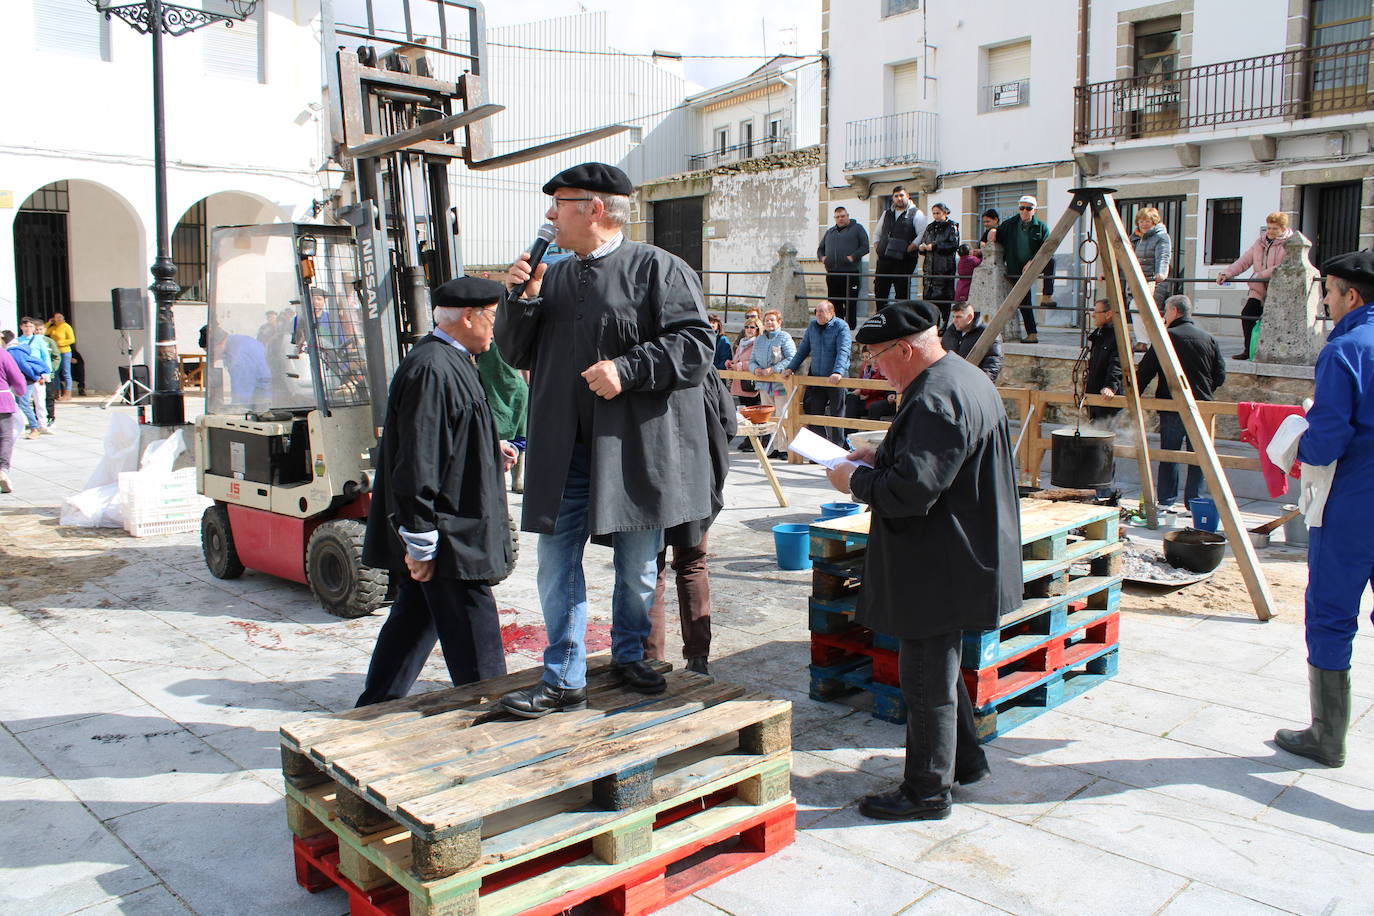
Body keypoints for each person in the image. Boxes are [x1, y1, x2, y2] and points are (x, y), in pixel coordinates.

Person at [496, 162, 716, 717]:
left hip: (632, 448)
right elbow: (517, 354)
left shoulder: (659, 269)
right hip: (563, 447)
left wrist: (630, 367)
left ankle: (628, 654)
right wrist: (519, 299)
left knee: (639, 564)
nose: (548, 216)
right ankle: (564, 675)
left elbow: (696, 345)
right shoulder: (556, 276)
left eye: (559, 204)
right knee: (555, 563)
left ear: (594, 209)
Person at [826, 300, 1020, 821]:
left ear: (906, 349)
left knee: (926, 680)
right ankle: (966, 763)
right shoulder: (962, 376)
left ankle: (927, 792)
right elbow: (935, 458)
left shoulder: (934, 396)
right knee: (941, 670)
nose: (874, 369)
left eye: (877, 358)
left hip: (942, 561)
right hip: (962, 553)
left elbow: (910, 491)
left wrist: (854, 480)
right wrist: (881, 454)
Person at [356, 277, 516, 706]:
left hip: (448, 525)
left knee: (413, 621)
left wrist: (485, 445)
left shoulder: (454, 359)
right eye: (493, 319)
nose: (495, 330)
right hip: (448, 533)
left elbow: (448, 432)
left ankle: (373, 711)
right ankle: (493, 718)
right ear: (468, 317)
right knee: (473, 630)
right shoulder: (432, 367)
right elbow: (417, 459)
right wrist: (421, 542)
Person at [1273, 250, 1374, 768]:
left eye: (1328, 293)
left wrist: (1297, 443)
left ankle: (1327, 736)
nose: (1326, 303)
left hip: (1357, 501)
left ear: (1350, 295)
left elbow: (1328, 441)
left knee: (1332, 612)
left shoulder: (1346, 350)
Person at [648, 368, 735, 676]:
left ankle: (652, 661)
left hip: (653, 481)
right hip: (694, 480)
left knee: (652, 569)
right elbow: (729, 423)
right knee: (690, 564)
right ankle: (697, 658)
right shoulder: (698, 364)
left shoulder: (638, 365)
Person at [1134, 294, 1226, 509]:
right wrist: (1204, 391)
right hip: (1202, 405)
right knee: (1200, 455)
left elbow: (1145, 372)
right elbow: (1220, 375)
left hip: (1172, 404)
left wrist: (1132, 397)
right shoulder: (1208, 338)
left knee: (1170, 453)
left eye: (1166, 311)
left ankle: (1166, 500)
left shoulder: (1165, 338)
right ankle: (1195, 501)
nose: (1164, 315)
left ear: (1175, 311)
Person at [1217, 211, 1292, 360]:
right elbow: (1244, 261)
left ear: (1283, 229)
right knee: (1247, 315)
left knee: (1275, 321)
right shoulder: (1260, 242)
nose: (1270, 232)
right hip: (1258, 289)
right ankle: (1248, 350)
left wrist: (1261, 275)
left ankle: (1274, 352)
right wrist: (1227, 273)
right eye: (1268, 228)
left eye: (1275, 229)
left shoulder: (1289, 244)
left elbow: (1283, 266)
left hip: (1278, 291)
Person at [783, 300, 852, 446]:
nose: (818, 314)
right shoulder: (813, 326)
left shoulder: (841, 327)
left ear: (832, 313)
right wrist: (791, 368)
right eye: (817, 311)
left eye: (822, 311)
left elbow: (843, 351)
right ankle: (819, 448)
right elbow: (803, 349)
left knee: (837, 414)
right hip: (816, 377)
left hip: (836, 378)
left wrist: (838, 372)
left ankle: (838, 448)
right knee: (813, 411)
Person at [997, 196, 1050, 343]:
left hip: (1035, 263)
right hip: (1016, 268)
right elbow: (995, 234)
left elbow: (1047, 247)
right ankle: (1032, 333)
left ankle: (1047, 296)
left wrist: (1033, 260)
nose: (1025, 211)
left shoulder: (1041, 227)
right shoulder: (1009, 225)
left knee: (1051, 261)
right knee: (1023, 299)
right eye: (1022, 208)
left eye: (1028, 208)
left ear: (1035, 210)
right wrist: (984, 241)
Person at [750, 309, 796, 458]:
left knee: (782, 413)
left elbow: (791, 358)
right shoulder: (759, 340)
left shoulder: (784, 337)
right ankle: (775, 446)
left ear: (779, 322)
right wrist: (755, 369)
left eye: (772, 320)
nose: (769, 323)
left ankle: (785, 448)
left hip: (780, 385)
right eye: (767, 320)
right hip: (764, 385)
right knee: (769, 417)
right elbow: (752, 360)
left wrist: (774, 369)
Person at [873, 187, 927, 308]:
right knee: (880, 291)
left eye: (901, 195)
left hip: (904, 260)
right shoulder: (886, 213)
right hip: (885, 259)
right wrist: (878, 247)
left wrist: (910, 248)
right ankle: (881, 320)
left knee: (901, 293)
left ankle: (900, 321)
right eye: (896, 196)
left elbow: (923, 233)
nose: (899, 198)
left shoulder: (916, 213)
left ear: (907, 196)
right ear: (892, 198)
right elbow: (877, 233)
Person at [818, 205, 869, 327]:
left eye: (842, 216)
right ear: (834, 218)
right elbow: (820, 249)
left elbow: (865, 247)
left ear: (848, 216)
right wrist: (823, 258)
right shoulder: (830, 232)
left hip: (850, 273)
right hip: (832, 274)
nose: (840, 219)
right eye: (837, 217)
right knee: (834, 303)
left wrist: (852, 257)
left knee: (850, 303)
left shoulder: (857, 229)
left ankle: (850, 329)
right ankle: (837, 327)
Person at [7, 319, 52, 440]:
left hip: (35, 374)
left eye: (30, 326)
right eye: (25, 326)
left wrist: (46, 373)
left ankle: (40, 425)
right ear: (21, 327)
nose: (28, 328)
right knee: (22, 402)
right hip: (23, 376)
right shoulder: (17, 341)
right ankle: (27, 425)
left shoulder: (38, 339)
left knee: (38, 401)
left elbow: (45, 356)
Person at [917, 203, 960, 325]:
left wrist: (935, 246)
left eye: (938, 213)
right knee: (929, 297)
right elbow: (924, 241)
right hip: (929, 268)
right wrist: (922, 248)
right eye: (934, 213)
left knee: (943, 298)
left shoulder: (952, 226)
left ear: (945, 213)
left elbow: (953, 245)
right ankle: (931, 324)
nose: (936, 216)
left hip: (944, 268)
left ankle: (944, 323)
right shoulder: (930, 227)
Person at [941, 301, 1003, 382]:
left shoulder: (987, 333)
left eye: (959, 317)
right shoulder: (950, 332)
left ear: (970, 317)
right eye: (954, 317)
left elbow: (994, 361)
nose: (954, 320)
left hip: (975, 382)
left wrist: (982, 382)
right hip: (952, 382)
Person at [1084, 298, 1123, 423]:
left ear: (1108, 314)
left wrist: (1110, 386)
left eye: (1097, 312)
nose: (1093, 315)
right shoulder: (1099, 334)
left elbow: (1118, 363)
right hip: (1095, 393)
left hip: (1106, 397)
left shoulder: (1117, 336)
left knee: (1103, 436)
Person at [1131, 207, 1172, 314]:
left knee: (1148, 312)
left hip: (1152, 282)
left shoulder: (1160, 237)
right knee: (1135, 309)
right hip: (1136, 281)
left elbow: (1163, 256)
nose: (1144, 224)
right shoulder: (1134, 238)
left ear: (1154, 222)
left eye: (1147, 221)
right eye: (1141, 221)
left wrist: (1161, 273)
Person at [0, 346, 27, 493]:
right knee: (5, 437)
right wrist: (20, 391)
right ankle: (2, 470)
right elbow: (16, 377)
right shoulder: (3, 354)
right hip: (2, 401)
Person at [844, 353, 894, 423]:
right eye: (864, 357)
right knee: (851, 398)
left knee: (874, 407)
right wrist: (860, 391)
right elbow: (861, 383)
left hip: (880, 399)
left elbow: (878, 387)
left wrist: (861, 391)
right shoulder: (865, 368)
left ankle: (870, 433)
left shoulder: (883, 367)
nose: (866, 359)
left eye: (868, 357)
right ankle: (849, 431)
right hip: (868, 398)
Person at [728, 318, 762, 416]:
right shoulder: (742, 343)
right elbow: (737, 359)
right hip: (739, 384)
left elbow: (759, 362)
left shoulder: (759, 343)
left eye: (752, 327)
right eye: (747, 327)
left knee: (754, 415)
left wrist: (741, 365)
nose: (749, 329)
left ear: (758, 329)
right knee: (742, 414)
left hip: (751, 384)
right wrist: (731, 363)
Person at [44, 312, 75, 398]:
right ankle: (57, 392)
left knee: (66, 372)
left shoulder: (66, 327)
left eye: (60, 317)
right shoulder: (53, 327)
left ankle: (67, 393)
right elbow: (44, 332)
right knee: (55, 371)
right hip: (55, 352)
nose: (58, 318)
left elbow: (72, 339)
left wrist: (59, 343)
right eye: (56, 317)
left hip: (65, 351)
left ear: (63, 318)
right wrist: (49, 323)